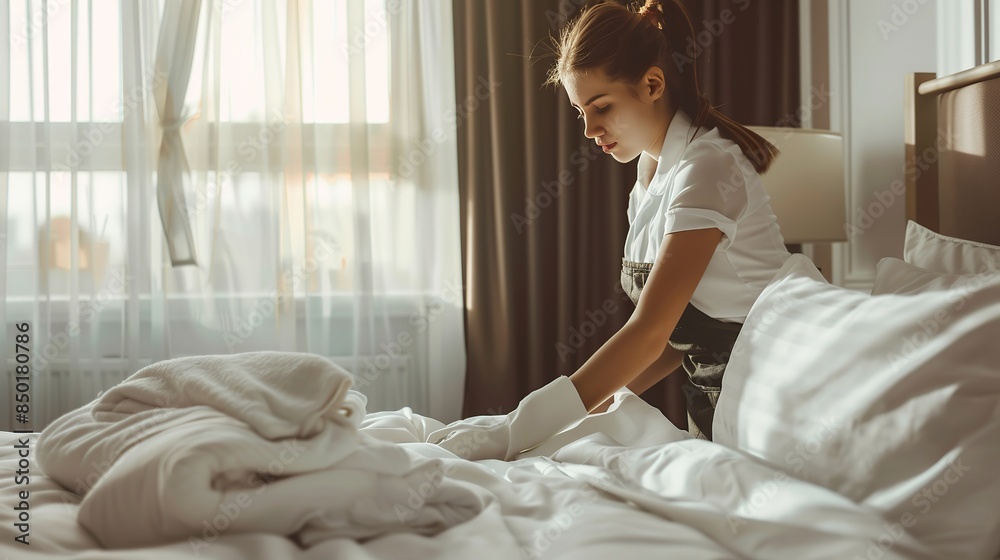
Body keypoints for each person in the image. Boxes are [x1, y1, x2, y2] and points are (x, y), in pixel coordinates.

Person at [428, 0, 791, 460]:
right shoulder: (649, 175)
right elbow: (679, 339)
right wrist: (567, 426)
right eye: (581, 111)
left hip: (774, 399)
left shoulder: (708, 168)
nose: (588, 129)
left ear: (653, 83)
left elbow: (650, 332)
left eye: (600, 107)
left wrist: (517, 428)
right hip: (720, 400)